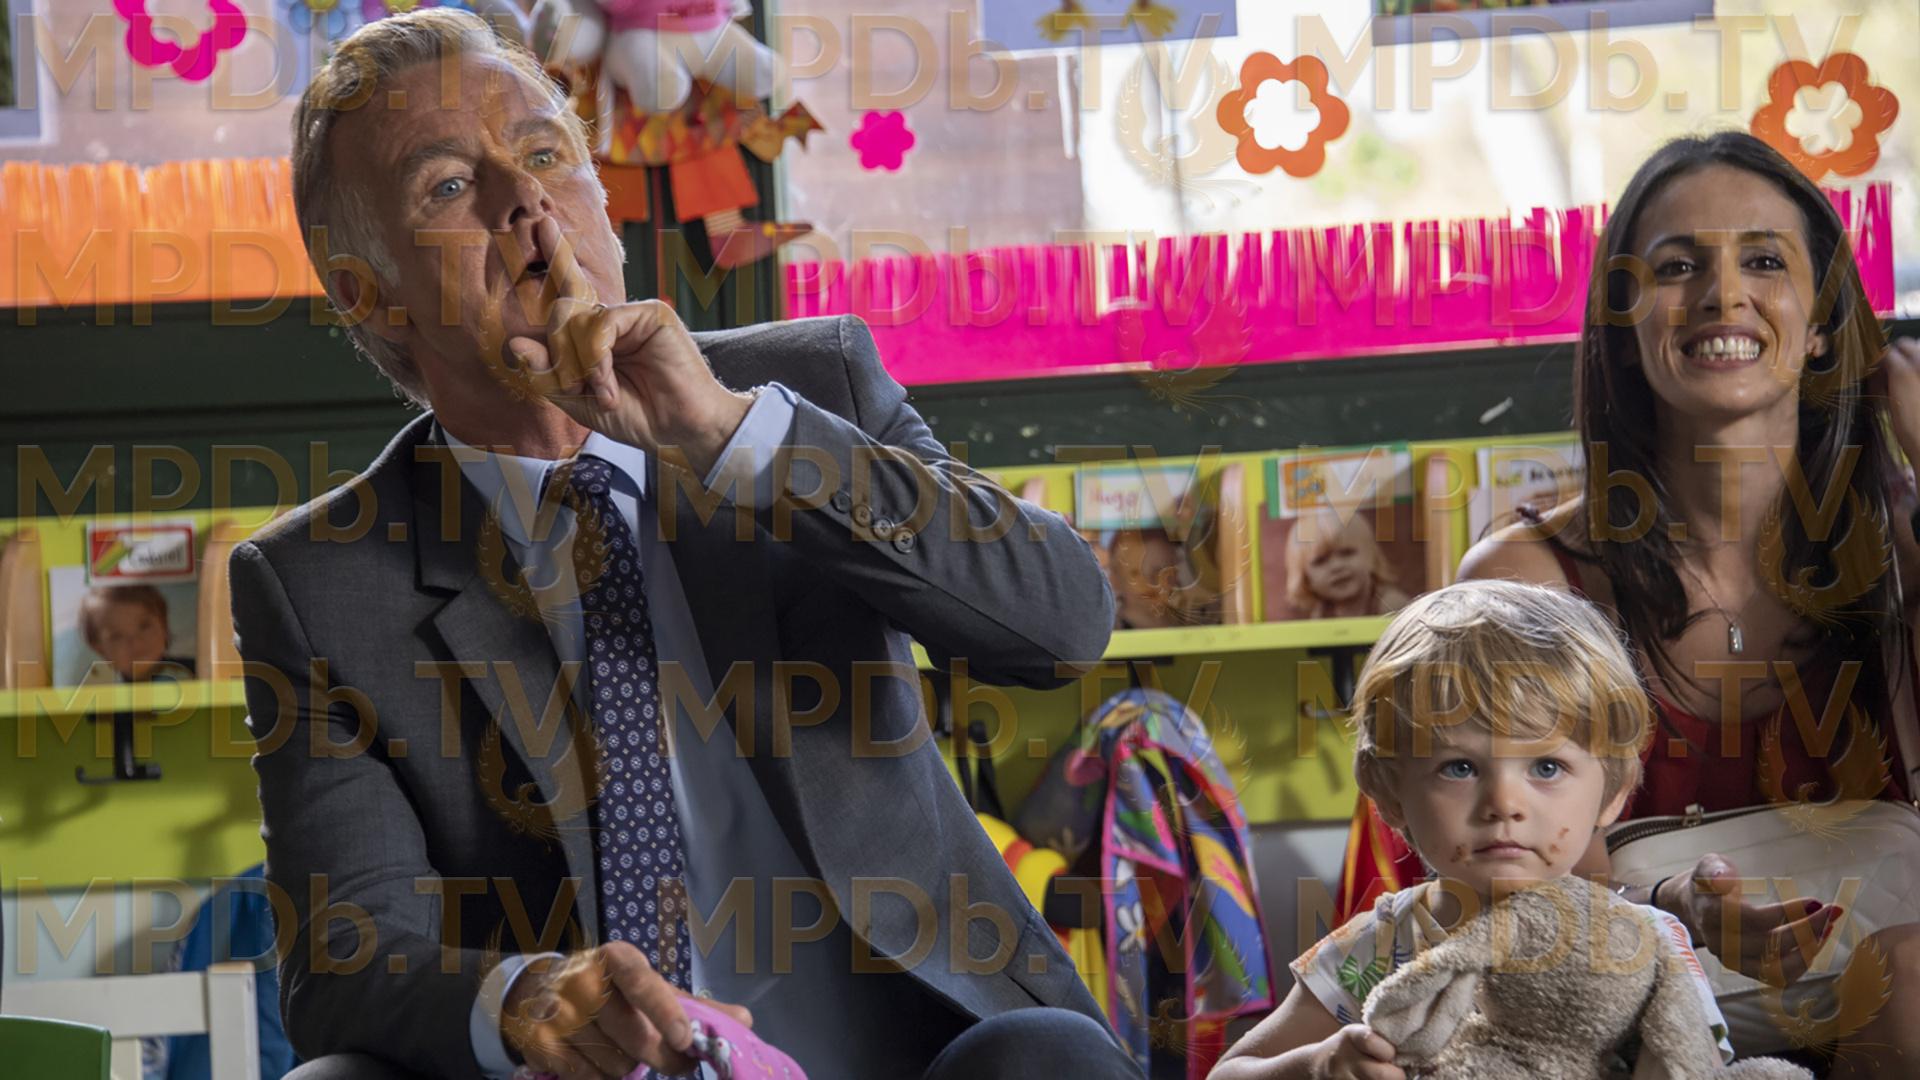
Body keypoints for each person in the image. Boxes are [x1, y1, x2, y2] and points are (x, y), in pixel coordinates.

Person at [232, 10, 1134, 1080]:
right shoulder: (320, 581)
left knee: (1047, 1058)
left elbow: (1061, 625)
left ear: (604, 206)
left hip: (917, 1060)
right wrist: (526, 998)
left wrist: (731, 436)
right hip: (602, 1070)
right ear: (367, 294)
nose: (525, 200)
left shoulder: (807, 387)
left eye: (544, 155)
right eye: (449, 185)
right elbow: (344, 963)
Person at [1457, 130, 1920, 1077]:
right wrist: (1675, 909)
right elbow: (1505, 903)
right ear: (1626, 331)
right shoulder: (1528, 580)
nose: (1722, 295)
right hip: (1627, 1029)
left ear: (1824, 324)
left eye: (1765, 261)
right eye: (1676, 268)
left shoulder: (1902, 551)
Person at [1212, 579, 1730, 1079]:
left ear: (1613, 790)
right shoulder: (1376, 948)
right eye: (1459, 767)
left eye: (1546, 767)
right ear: (1389, 792)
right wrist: (1318, 1065)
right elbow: (1230, 1073)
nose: (1503, 804)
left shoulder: (1643, 944)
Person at [1283, 508, 1409, 620]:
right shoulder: (1322, 611)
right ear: (1306, 579)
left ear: (1371, 557)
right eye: (1320, 560)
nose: (1337, 566)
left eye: (1347, 553)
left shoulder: (1391, 604)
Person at [80, 584, 196, 682]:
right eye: (117, 636)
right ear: (99, 648)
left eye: (144, 626)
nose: (136, 642)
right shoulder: (107, 699)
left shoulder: (198, 671)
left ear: (164, 624)